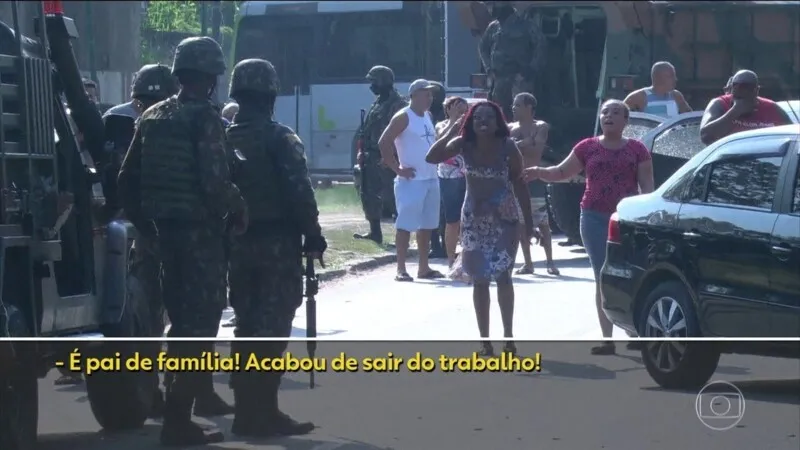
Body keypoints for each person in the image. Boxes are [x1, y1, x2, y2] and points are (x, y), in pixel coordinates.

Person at [118, 36, 248, 446]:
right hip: (199, 237)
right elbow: (214, 182)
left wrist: (148, 228)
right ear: (210, 78)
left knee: (176, 322)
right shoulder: (204, 117)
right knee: (199, 326)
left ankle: (176, 415)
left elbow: (126, 180)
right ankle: (178, 421)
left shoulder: (152, 115)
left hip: (163, 237)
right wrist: (238, 206)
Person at [225, 58, 323, 438]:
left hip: (238, 244)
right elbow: (299, 191)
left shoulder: (224, 137)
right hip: (277, 243)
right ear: (270, 94)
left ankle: (246, 412)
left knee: (246, 326)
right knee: (273, 327)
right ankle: (261, 411)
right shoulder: (279, 137)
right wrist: (312, 234)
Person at [522, 100, 654, 355]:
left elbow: (647, 186)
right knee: (602, 275)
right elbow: (561, 171)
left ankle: (634, 330)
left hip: (626, 219)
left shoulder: (638, 149)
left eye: (616, 112)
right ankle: (607, 339)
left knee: (631, 275)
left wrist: (647, 216)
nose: (609, 116)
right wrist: (539, 171)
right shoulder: (587, 147)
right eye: (605, 112)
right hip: (593, 217)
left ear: (626, 121)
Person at [427, 101, 534, 355]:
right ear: (470, 124)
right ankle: (485, 341)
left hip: (504, 219)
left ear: (498, 122)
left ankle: (508, 338)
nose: (483, 122)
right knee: (480, 280)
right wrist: (454, 126)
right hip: (474, 220)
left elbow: (520, 183)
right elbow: (432, 157)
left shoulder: (508, 146)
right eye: (477, 119)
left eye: (489, 117)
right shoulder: (464, 144)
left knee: (504, 277)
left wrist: (528, 224)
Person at [379, 79, 444, 282]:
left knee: (427, 225)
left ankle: (423, 267)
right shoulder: (403, 117)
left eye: (431, 94)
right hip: (411, 180)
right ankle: (401, 268)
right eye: (426, 94)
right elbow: (384, 141)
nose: (429, 98)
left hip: (431, 177)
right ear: (414, 95)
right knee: (405, 224)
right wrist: (397, 168)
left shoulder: (427, 115)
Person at [354, 65, 408, 243]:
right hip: (370, 157)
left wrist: (391, 157)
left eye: (374, 82)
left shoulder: (398, 104)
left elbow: (401, 133)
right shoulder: (377, 104)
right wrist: (361, 152)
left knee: (392, 197)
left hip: (387, 157)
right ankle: (375, 232)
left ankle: (402, 236)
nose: (372, 86)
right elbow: (367, 131)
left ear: (384, 81)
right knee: (368, 194)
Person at [509, 93, 559, 276]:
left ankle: (550, 262)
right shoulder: (510, 128)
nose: (513, 108)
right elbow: (506, 147)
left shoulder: (541, 126)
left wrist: (519, 144)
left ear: (529, 107)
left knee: (543, 222)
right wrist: (527, 141)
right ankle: (528, 263)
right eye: (513, 105)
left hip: (534, 179)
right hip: (516, 180)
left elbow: (537, 149)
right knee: (521, 224)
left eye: (517, 105)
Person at [479, 1, 546, 120]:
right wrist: (489, 69)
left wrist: (531, 69)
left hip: (519, 78)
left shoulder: (526, 25)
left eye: (492, 6)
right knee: (497, 113)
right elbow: (483, 48)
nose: (490, 10)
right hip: (499, 79)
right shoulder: (494, 27)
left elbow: (541, 46)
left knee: (521, 112)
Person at [700, 69, 793, 146]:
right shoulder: (720, 104)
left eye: (745, 98)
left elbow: (793, 138)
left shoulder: (772, 109)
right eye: (736, 98)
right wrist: (735, 111)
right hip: (728, 163)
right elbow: (705, 136)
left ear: (756, 91)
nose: (740, 102)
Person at [435, 96, 469, 270]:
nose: (462, 111)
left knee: (469, 218)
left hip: (468, 174)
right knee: (452, 219)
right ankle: (450, 259)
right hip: (449, 177)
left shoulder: (471, 125)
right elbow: (441, 139)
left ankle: (467, 258)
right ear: (448, 109)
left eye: (464, 108)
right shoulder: (442, 124)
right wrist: (454, 121)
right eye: (456, 108)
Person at [623, 61, 691, 118]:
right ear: (658, 78)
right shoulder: (639, 96)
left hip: (673, 133)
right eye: (671, 76)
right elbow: (619, 116)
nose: (675, 79)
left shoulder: (676, 96)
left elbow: (690, 118)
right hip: (652, 133)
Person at [428, 81, 448, 259]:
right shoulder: (423, 116)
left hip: (444, 169)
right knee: (431, 209)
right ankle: (434, 245)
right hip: (427, 167)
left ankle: (444, 244)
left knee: (443, 211)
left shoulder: (443, 117)